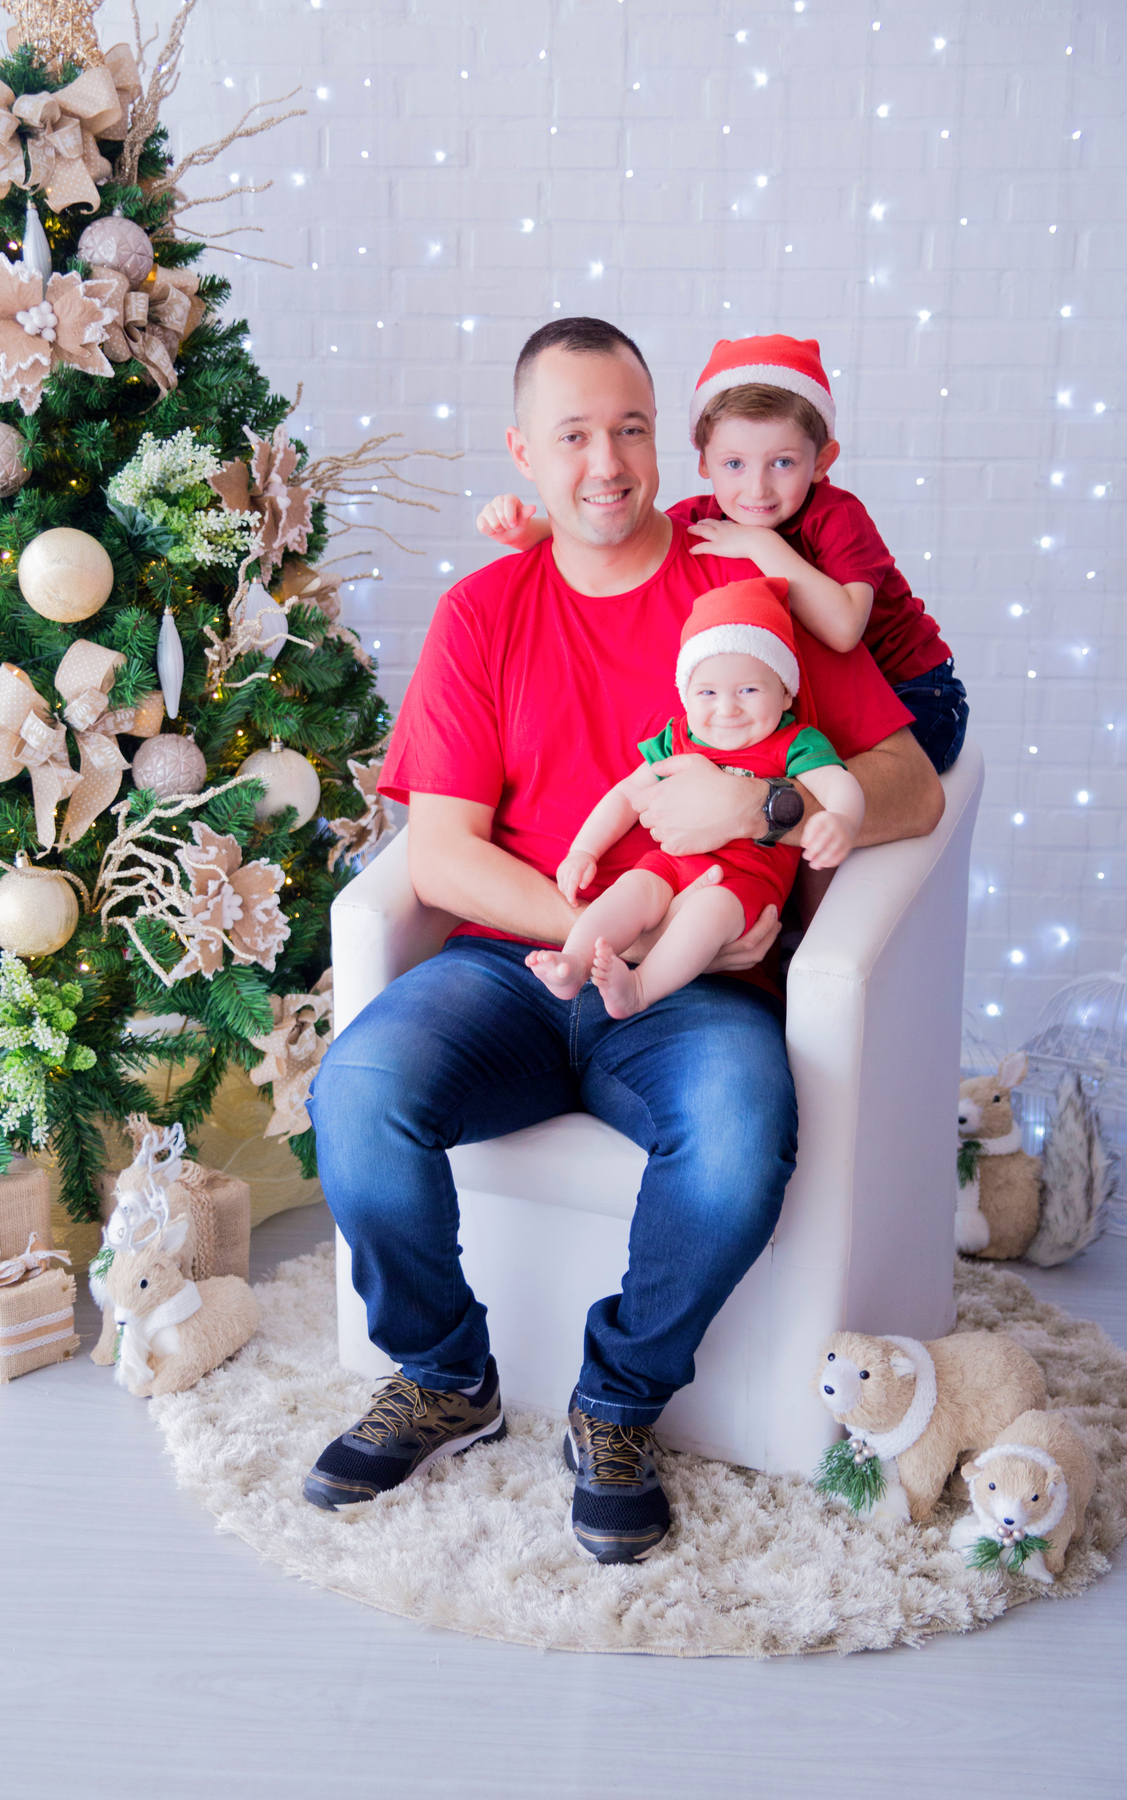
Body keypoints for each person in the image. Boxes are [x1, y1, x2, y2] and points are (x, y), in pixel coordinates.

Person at [305, 316, 944, 1566]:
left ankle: (616, 1403)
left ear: (664, 442)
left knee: (740, 1144)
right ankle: (443, 1375)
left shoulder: (741, 589)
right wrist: (600, 932)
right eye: (574, 436)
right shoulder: (485, 610)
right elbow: (442, 858)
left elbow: (910, 785)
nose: (607, 463)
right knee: (357, 1092)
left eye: (632, 430)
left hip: (700, 986)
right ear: (523, 453)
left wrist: (763, 812)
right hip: (512, 968)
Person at [477, 333, 969, 776]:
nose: (756, 489)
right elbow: (618, 526)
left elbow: (843, 630)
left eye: (783, 462)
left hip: (918, 692)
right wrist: (529, 530)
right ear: (703, 462)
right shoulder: (709, 515)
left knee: (817, 787)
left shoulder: (838, 518)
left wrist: (759, 544)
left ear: (822, 461)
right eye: (734, 463)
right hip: (835, 695)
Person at [528, 577, 865, 1020]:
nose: (727, 708)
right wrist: (584, 850)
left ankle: (641, 988)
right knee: (631, 889)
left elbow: (839, 784)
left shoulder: (793, 743)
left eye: (748, 690)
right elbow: (627, 793)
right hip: (671, 864)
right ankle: (574, 962)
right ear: (686, 695)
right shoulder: (680, 738)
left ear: (786, 692)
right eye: (707, 692)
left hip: (743, 883)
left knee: (708, 910)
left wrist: (842, 819)